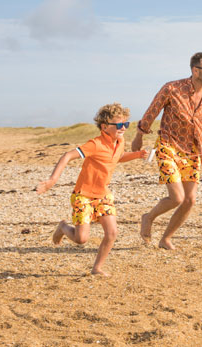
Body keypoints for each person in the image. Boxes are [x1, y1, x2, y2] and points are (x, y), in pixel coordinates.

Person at [36, 103, 148, 276]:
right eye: (119, 125)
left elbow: (116, 158)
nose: (123, 128)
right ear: (104, 127)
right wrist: (52, 180)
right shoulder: (95, 144)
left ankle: (97, 268)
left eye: (126, 124)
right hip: (84, 196)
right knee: (81, 239)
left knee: (111, 233)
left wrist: (136, 155)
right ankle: (63, 227)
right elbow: (67, 156)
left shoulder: (119, 141)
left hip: (103, 195)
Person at [132, 52, 202, 250]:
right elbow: (152, 111)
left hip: (194, 150)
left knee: (189, 200)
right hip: (168, 145)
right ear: (195, 70)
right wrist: (139, 136)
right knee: (177, 197)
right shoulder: (172, 88)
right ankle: (149, 217)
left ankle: (166, 239)